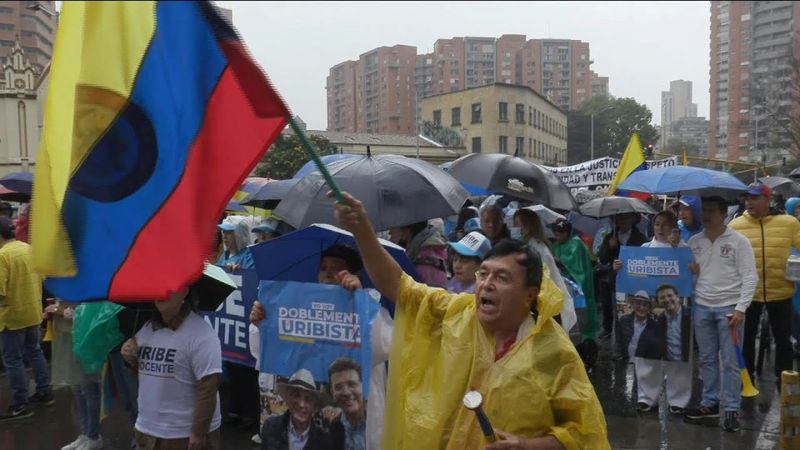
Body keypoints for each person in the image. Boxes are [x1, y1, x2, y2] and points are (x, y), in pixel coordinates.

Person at [333, 192, 609, 449]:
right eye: (484, 274)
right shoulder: (455, 312)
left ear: (530, 294)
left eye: (502, 278)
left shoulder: (552, 352)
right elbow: (398, 285)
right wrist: (362, 230)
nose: (486, 285)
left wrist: (527, 446)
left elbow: (584, 434)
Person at [249, 245, 364, 445]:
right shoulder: (297, 304)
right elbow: (262, 353)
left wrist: (361, 302)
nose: (328, 273)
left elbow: (377, 351)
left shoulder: (362, 307)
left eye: (337, 268)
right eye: (323, 267)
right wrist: (262, 323)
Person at [684, 196, 757, 432]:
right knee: (707, 360)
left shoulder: (738, 241)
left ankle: (732, 410)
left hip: (729, 310)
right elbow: (687, 279)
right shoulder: (694, 242)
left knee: (731, 362)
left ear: (724, 213)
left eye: (711, 211)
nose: (706, 215)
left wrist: (741, 308)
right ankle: (709, 403)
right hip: (702, 307)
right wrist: (692, 273)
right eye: (703, 210)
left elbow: (749, 276)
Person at [121, 288, 223, 449]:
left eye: (169, 287)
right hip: (147, 430)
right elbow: (145, 373)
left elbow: (208, 386)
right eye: (157, 286)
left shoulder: (202, 334)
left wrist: (199, 431)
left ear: (184, 292)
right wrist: (130, 358)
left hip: (182, 435)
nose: (160, 293)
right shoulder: (147, 328)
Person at [729, 182, 800, 390]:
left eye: (754, 197)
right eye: (746, 198)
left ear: (768, 200)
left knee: (783, 338)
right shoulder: (735, 226)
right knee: (747, 338)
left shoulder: (789, 223)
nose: (748, 202)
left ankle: (784, 377)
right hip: (747, 294)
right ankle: (746, 377)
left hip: (781, 290)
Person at [0, 216, 51, 421]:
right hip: (33, 311)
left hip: (11, 316)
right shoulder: (28, 248)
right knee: (35, 353)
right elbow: (43, 278)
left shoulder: (2, 255)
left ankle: (21, 404)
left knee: (13, 360)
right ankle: (44, 392)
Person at [513, 209, 577, 333]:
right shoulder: (528, 246)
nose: (515, 228)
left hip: (546, 303)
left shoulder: (538, 249)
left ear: (527, 226)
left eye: (518, 224)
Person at [596, 212, 648, 340]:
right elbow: (602, 258)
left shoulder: (640, 238)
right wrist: (609, 246)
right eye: (619, 218)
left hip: (633, 281)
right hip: (614, 280)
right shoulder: (610, 237)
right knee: (613, 310)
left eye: (626, 218)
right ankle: (616, 341)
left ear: (633, 219)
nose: (622, 221)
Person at [260, 369, 337, 450]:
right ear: (288, 399)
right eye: (296, 395)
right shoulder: (271, 427)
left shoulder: (324, 440)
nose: (301, 404)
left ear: (315, 407)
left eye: (308, 399)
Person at [550, 218, 599, 343]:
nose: (555, 236)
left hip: (576, 290)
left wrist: (560, 262)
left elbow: (578, 270)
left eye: (557, 233)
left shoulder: (576, 245)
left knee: (580, 318)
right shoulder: (555, 245)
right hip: (560, 288)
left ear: (566, 233)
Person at [653, 284, 692, 415]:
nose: (667, 299)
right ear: (658, 302)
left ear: (678, 297)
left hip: (691, 360)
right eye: (662, 297)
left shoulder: (691, 314)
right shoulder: (660, 319)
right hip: (671, 361)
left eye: (670, 296)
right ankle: (676, 402)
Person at [388, 221, 448, 287]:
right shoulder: (417, 252)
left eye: (393, 227)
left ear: (406, 232)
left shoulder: (425, 261)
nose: (389, 232)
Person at [326, 358, 366, 450]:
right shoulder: (334, 428)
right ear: (332, 392)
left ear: (363, 386)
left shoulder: (379, 422)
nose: (346, 392)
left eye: (352, 384)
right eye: (338, 387)